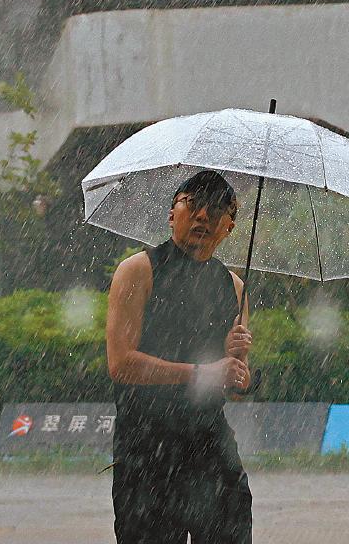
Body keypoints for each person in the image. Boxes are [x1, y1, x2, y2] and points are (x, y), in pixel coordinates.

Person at [105, 170, 254, 543]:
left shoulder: (234, 287)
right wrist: (203, 373)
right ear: (172, 214)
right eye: (193, 204)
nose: (203, 215)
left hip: (211, 448)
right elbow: (121, 364)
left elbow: (235, 387)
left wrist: (239, 369)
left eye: (216, 208)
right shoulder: (138, 271)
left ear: (229, 226)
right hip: (147, 449)